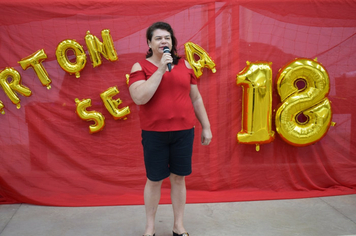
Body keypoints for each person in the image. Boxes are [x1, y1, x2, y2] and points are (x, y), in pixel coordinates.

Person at [128, 21, 212, 236]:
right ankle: (150, 228)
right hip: (154, 134)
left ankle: (178, 226)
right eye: (158, 38)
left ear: (172, 42)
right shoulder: (140, 67)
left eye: (167, 37)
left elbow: (196, 98)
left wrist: (206, 127)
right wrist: (160, 69)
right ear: (149, 42)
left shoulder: (185, 65)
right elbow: (139, 97)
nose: (163, 41)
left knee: (178, 178)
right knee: (154, 180)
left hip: (183, 132)